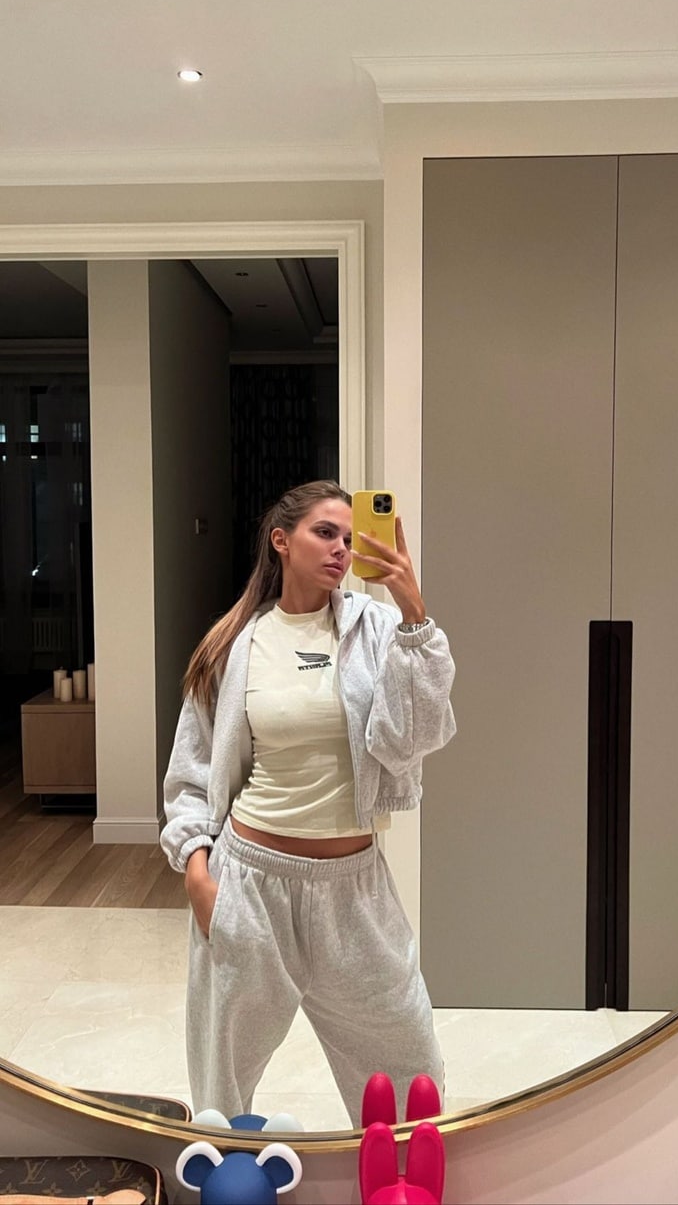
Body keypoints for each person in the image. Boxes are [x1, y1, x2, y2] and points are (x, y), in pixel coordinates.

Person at [160, 479, 456, 1127]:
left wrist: (413, 611)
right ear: (281, 540)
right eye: (325, 532)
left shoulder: (378, 629)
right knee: (222, 1081)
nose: (342, 548)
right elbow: (192, 770)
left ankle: (399, 1175)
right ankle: (226, 1173)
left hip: (354, 888)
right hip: (249, 884)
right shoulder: (234, 644)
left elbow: (417, 735)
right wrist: (198, 873)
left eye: (350, 537)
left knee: (409, 1069)